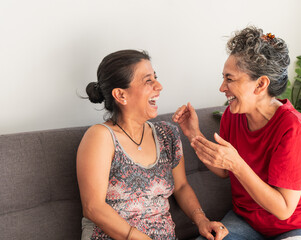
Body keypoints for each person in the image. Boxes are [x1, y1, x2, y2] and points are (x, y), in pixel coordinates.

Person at [172, 26, 301, 240]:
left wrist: (237, 163)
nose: (222, 87)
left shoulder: (293, 129)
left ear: (261, 84)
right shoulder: (233, 114)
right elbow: (224, 170)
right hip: (247, 222)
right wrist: (193, 134)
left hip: (298, 227)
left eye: (230, 79)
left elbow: (284, 209)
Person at [76, 49, 228, 240]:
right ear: (121, 95)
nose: (159, 86)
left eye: (155, 77)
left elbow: (181, 187)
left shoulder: (167, 133)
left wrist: (202, 221)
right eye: (148, 80)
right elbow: (93, 207)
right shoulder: (100, 137)